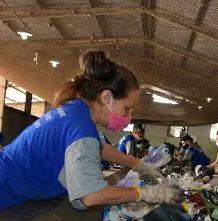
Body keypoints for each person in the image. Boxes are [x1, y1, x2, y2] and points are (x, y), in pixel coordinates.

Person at [0, 50, 179, 210]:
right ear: (106, 97)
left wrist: (139, 165)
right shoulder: (81, 127)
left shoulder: (76, 111)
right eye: (127, 108)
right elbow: (91, 195)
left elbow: (101, 148)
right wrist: (146, 193)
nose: (129, 117)